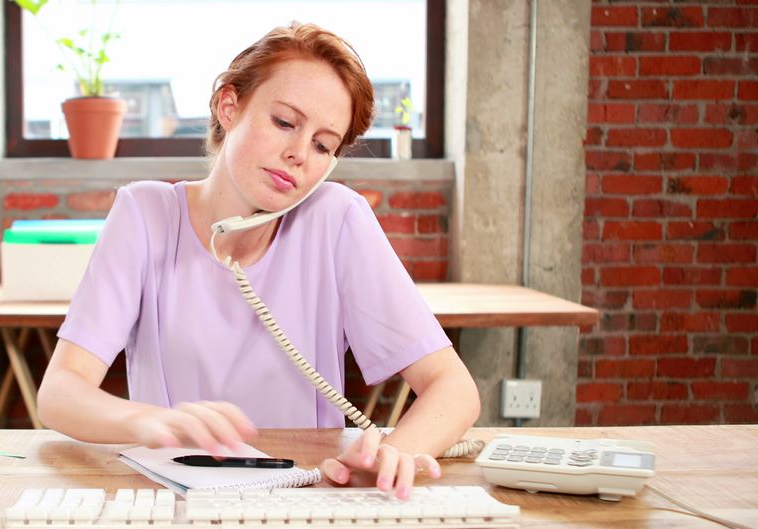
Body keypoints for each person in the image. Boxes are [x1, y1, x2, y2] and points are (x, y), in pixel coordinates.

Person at [37, 22, 480, 498]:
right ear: (229, 106)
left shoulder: (336, 218)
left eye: (322, 145)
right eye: (285, 123)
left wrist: (396, 453)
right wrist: (148, 421)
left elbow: (453, 388)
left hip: (309, 495)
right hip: (175, 498)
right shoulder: (144, 214)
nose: (297, 154)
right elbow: (60, 393)